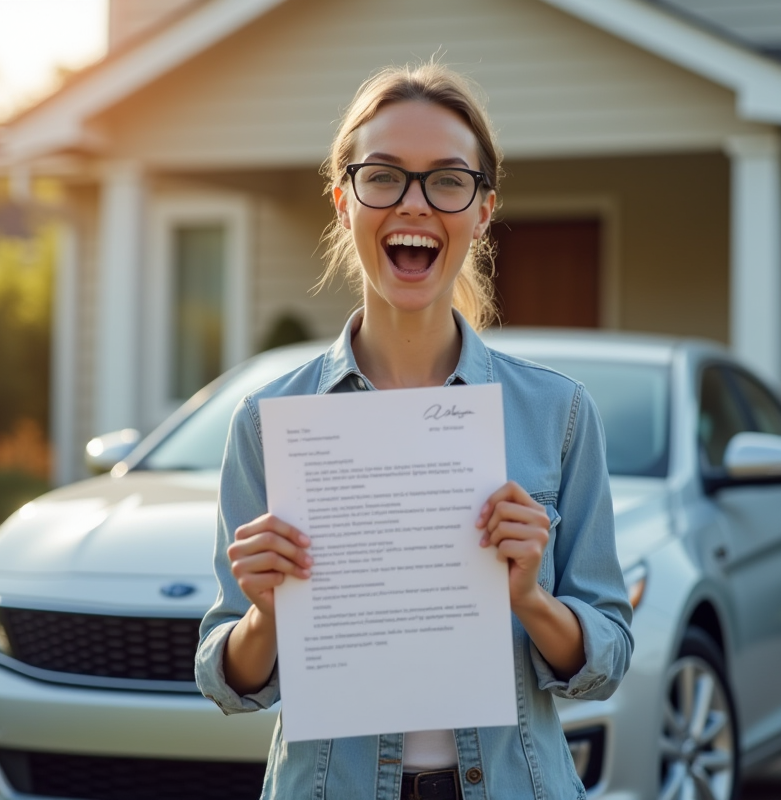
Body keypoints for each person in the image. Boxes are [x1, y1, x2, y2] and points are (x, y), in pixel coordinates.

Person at [196, 63, 633, 800]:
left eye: (448, 180)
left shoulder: (557, 415)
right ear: (343, 200)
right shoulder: (269, 424)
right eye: (384, 176)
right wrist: (266, 615)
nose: (415, 203)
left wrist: (532, 597)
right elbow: (227, 678)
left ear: (484, 209)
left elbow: (609, 656)